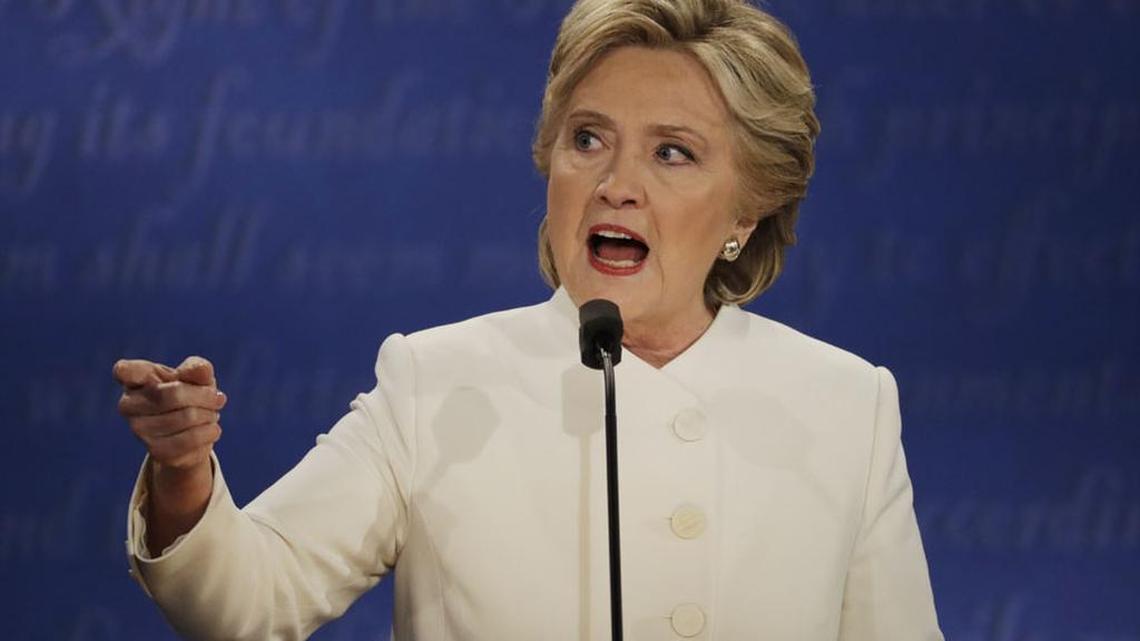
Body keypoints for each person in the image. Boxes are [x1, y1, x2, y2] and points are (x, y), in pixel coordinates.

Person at [114, 1, 944, 639]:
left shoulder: (846, 405)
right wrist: (185, 477)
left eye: (672, 152)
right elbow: (251, 597)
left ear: (749, 209)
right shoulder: (437, 381)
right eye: (589, 138)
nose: (617, 183)